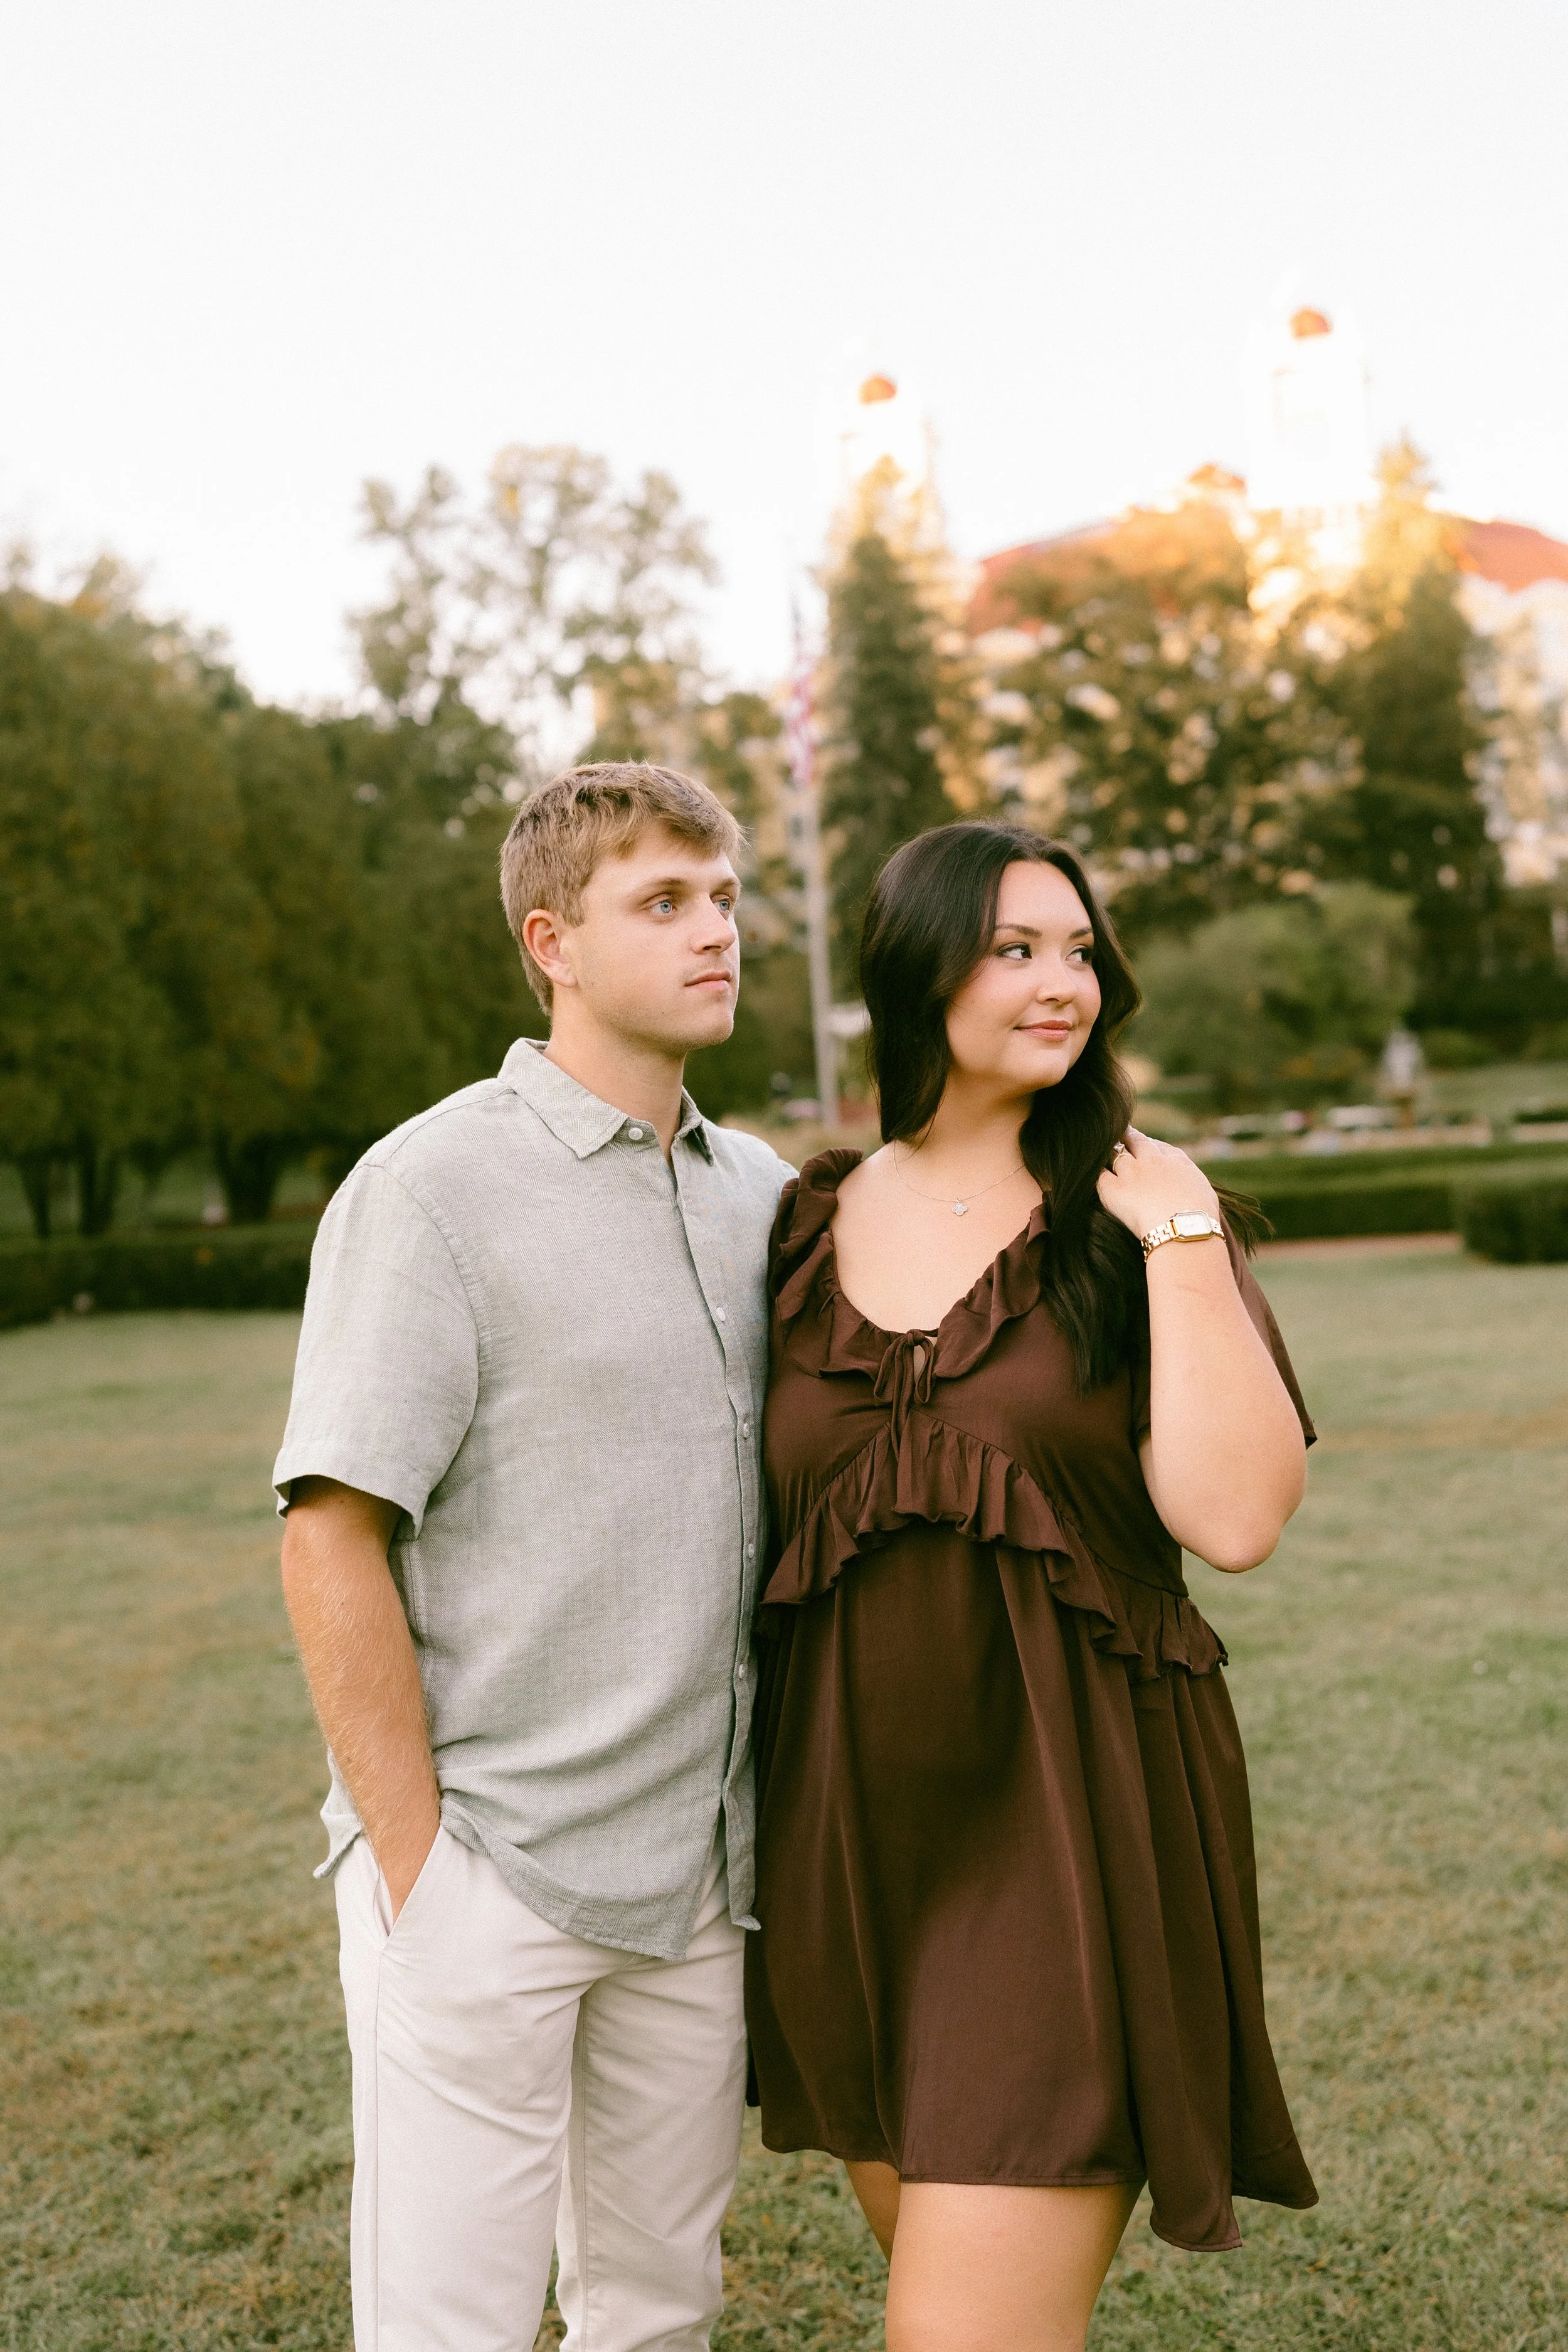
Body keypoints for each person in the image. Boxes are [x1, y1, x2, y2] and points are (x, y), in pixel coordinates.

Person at [746, 821, 1318, 2352]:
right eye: (1014, 947)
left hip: (1070, 1834)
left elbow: (1238, 1514)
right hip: (849, 1857)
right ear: (913, 969)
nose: (1061, 979)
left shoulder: (1138, 1208)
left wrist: (1184, 1240)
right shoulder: (799, 1227)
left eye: (1076, 948)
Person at [275, 762, 793, 2352]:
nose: (716, 930)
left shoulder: (767, 1193)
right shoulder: (429, 1186)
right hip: (489, 1866)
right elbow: (331, 1527)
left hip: (700, 1878)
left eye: (719, 896)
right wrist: (423, 1867)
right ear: (549, 940)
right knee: (453, 2329)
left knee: (657, 2312)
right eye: (664, 902)